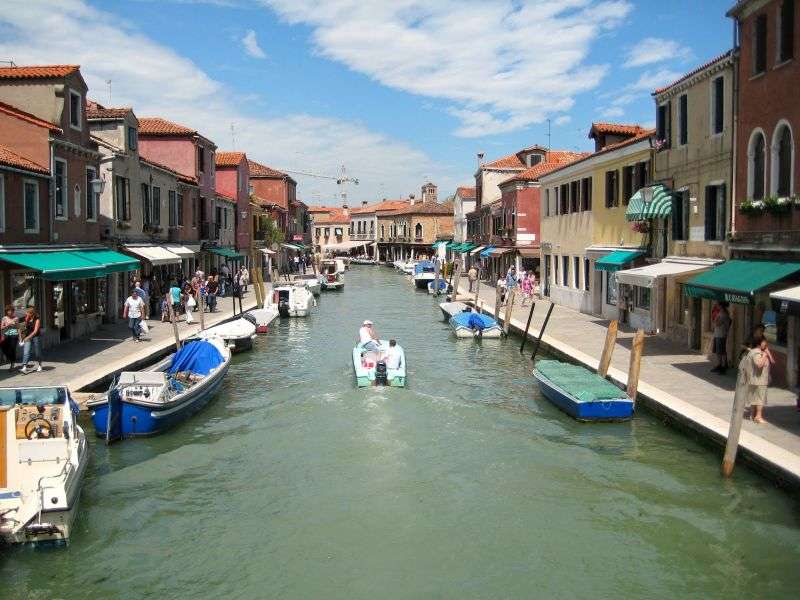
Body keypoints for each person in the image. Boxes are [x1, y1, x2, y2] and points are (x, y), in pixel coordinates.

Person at [748, 334, 774, 424]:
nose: (766, 344)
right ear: (759, 343)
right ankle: (758, 416)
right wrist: (765, 355)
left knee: (754, 398)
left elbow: (771, 362)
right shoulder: (757, 353)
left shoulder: (754, 352)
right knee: (760, 399)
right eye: (764, 342)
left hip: (755, 379)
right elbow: (759, 364)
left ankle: (752, 415)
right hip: (759, 380)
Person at [19, 307, 43, 373]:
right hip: (28, 336)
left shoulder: (37, 320)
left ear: (31, 313)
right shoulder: (27, 319)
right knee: (26, 351)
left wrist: (28, 337)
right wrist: (26, 320)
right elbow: (24, 328)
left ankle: (40, 365)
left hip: (36, 337)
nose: (26, 314)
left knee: (37, 352)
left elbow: (35, 331)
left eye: (27, 313)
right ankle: (24, 367)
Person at [711, 301, 732, 374]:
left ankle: (724, 366)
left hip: (721, 334)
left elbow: (716, 323)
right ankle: (719, 365)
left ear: (721, 306)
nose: (716, 306)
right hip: (718, 334)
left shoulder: (724, 314)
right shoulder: (720, 313)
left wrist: (715, 319)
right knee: (718, 351)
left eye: (717, 305)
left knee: (722, 351)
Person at [1, 305, 19, 371]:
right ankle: (10, 358)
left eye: (11, 311)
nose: (10, 312)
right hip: (6, 335)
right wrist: (7, 325)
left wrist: (20, 337)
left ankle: (12, 364)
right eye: (9, 311)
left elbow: (18, 328)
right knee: (3, 348)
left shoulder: (16, 318)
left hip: (14, 335)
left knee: (12, 348)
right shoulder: (4, 318)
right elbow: (1, 327)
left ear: (13, 311)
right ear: (6, 311)